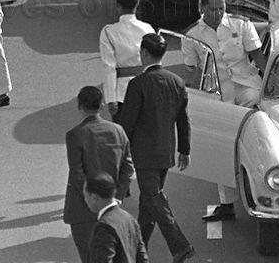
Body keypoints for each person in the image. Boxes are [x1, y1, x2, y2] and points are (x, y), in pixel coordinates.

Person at [182, 0, 266, 222]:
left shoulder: (241, 24)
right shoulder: (192, 35)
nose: (218, 14)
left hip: (247, 85)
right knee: (222, 145)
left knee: (257, 131)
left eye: (221, 8)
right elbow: (191, 70)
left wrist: (273, 82)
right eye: (213, 9)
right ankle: (227, 204)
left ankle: (264, 188)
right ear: (202, 8)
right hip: (218, 91)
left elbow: (258, 57)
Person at [118, 33, 195, 263]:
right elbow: (183, 120)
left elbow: (127, 122)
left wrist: (120, 151)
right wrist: (185, 149)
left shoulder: (138, 84)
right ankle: (136, 251)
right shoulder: (176, 82)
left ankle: (180, 246)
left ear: (144, 53)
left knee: (153, 199)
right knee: (149, 202)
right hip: (166, 152)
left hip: (144, 154)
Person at [64, 86, 135, 263]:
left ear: (79, 105)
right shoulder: (118, 131)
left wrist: (91, 198)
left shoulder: (75, 135)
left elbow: (77, 173)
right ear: (101, 105)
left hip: (83, 212)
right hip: (112, 207)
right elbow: (128, 169)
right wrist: (116, 197)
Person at [99, 0, 154, 122]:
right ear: (138, 4)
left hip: (122, 94)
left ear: (117, 5)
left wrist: (111, 99)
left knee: (124, 138)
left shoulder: (108, 32)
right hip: (146, 91)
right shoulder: (148, 29)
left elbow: (109, 67)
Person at [83, 172, 149, 263]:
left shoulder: (104, 227)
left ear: (94, 198)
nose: (85, 200)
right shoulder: (130, 219)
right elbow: (143, 258)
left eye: (85, 196)